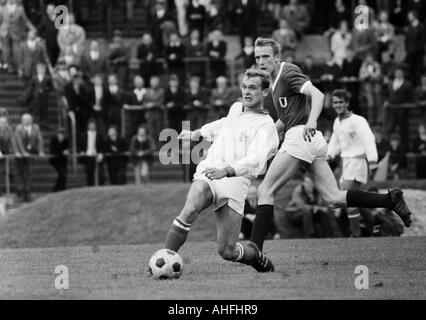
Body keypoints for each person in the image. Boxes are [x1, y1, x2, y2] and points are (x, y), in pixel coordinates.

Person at [247, 37, 412, 272]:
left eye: (265, 56)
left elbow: (318, 95)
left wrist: (313, 120)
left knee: (265, 190)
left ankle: (256, 252)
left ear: (277, 58)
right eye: (257, 57)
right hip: (309, 139)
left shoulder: (287, 72)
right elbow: (286, 118)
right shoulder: (274, 83)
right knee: (334, 197)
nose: (261, 61)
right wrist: (267, 134)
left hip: (301, 137)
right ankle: (390, 199)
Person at [152, 68, 279, 273]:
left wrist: (228, 171)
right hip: (210, 170)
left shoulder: (266, 126)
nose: (246, 92)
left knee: (227, 250)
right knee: (190, 208)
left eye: (253, 88)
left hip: (234, 181)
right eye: (244, 87)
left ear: (265, 92)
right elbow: (223, 125)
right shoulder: (236, 108)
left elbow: (256, 161)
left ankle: (255, 256)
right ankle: (162, 263)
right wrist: (197, 133)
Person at [327, 89, 377, 237]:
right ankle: (378, 226)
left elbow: (369, 139)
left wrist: (373, 160)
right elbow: (334, 142)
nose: (338, 105)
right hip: (346, 164)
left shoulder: (358, 120)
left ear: (347, 103)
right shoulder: (337, 122)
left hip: (358, 162)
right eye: (335, 102)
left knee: (348, 199)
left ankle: (356, 235)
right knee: (357, 201)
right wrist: (328, 155)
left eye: (341, 102)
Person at [14, 113, 44, 202]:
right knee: (19, 172)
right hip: (20, 153)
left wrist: (41, 150)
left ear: (31, 120)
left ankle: (27, 190)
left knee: (30, 171)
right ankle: (20, 190)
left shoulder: (36, 128)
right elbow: (18, 141)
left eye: (28, 119)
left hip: (31, 153)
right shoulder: (18, 128)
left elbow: (40, 139)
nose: (26, 121)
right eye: (24, 119)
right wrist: (22, 152)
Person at [49, 128, 70, 192]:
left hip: (63, 160)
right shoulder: (53, 140)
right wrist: (62, 152)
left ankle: (60, 188)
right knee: (61, 173)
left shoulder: (66, 140)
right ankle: (58, 188)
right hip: (55, 160)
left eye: (62, 134)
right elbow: (53, 151)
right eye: (60, 134)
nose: (61, 136)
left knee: (63, 174)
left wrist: (67, 151)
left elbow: (68, 148)